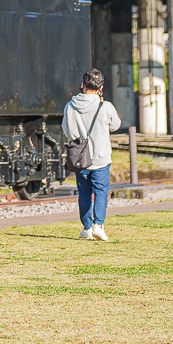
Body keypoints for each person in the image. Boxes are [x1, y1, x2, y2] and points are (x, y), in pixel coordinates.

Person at [62, 68, 123, 241]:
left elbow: (66, 131)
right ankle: (99, 225)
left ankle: (87, 228)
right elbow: (116, 125)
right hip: (101, 157)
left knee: (84, 193)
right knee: (101, 191)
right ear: (100, 88)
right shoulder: (105, 106)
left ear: (82, 85)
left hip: (80, 158)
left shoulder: (70, 106)